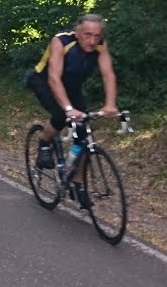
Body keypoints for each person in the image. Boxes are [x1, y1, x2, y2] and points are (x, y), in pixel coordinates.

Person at [26, 14, 118, 208]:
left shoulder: (101, 45)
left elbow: (108, 74)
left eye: (97, 35)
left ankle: (78, 184)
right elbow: (53, 78)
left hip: (72, 86)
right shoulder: (61, 41)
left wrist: (110, 104)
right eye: (87, 35)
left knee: (83, 134)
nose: (92, 40)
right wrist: (68, 108)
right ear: (77, 33)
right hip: (44, 81)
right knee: (60, 115)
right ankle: (44, 142)